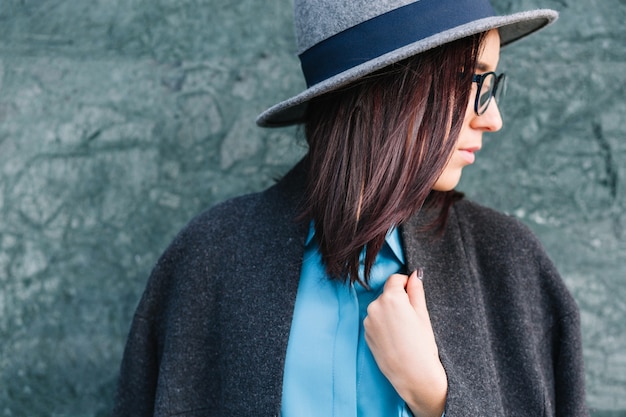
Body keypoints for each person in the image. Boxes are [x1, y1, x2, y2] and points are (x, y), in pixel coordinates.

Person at [113, 0, 589, 416]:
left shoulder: (512, 265)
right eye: (470, 81)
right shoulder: (209, 261)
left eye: (491, 83)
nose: (492, 118)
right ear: (380, 89)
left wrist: (434, 398)